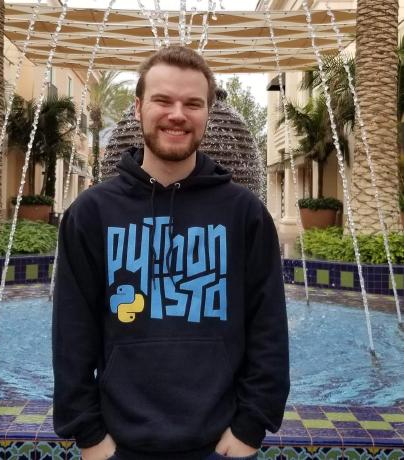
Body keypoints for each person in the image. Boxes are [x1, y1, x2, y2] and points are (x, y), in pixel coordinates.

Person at [53, 45, 289, 460]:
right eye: (163, 100)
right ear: (139, 107)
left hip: (221, 445)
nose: (177, 114)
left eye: (192, 103)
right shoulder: (91, 213)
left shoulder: (244, 213)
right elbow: (72, 332)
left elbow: (268, 328)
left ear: (208, 112)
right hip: (117, 446)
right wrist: (88, 433)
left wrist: (251, 427)